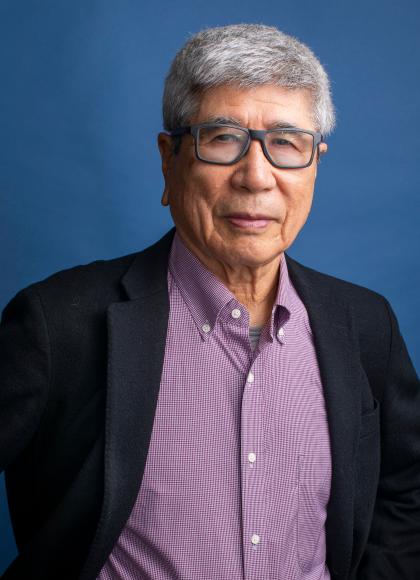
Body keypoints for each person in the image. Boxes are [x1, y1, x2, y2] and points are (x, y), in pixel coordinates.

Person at [0, 23, 419, 580]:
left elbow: (406, 490)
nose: (256, 178)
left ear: (315, 163)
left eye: (286, 143)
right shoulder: (56, 324)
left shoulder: (365, 324)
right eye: (222, 139)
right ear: (169, 159)